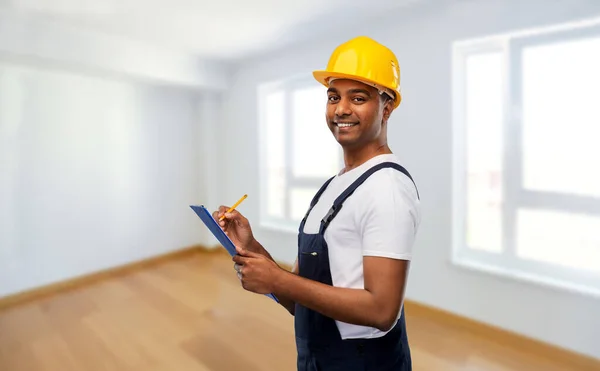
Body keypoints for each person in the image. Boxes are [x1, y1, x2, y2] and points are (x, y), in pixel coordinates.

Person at [213, 35, 421, 370]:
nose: (341, 109)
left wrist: (277, 280)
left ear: (387, 106)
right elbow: (301, 299)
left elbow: (382, 312)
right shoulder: (336, 185)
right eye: (333, 96)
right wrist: (251, 247)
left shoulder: (387, 188)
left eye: (358, 97)